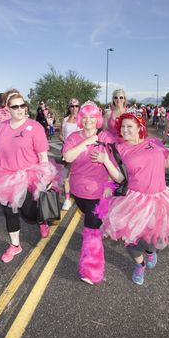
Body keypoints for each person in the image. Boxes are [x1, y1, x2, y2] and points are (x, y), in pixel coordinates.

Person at [92, 113, 169, 285]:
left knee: (149, 238)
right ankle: (139, 265)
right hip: (134, 199)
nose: (125, 130)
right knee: (130, 238)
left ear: (140, 128)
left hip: (158, 198)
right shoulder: (120, 149)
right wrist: (105, 161)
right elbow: (120, 178)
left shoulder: (153, 143)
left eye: (129, 126)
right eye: (123, 127)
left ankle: (149, 252)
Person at [0, 90, 61, 263]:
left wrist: (47, 177)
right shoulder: (1, 128)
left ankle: (41, 220)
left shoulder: (35, 127)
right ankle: (15, 245)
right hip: (5, 176)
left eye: (22, 106)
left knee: (29, 214)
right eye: (15, 106)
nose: (20, 109)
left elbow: (42, 156)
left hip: (29, 176)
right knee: (10, 212)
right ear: (8, 109)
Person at [62, 101, 114, 285]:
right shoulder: (74, 138)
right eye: (84, 117)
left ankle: (92, 271)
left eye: (92, 117)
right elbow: (67, 157)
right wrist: (86, 142)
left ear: (98, 119)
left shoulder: (106, 137)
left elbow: (114, 163)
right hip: (78, 192)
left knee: (91, 230)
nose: (88, 120)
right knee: (91, 225)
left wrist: (109, 185)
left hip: (99, 192)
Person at [59, 98, 82, 211]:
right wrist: (66, 142)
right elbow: (61, 135)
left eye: (76, 106)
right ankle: (67, 200)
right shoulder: (65, 120)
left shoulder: (83, 120)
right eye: (72, 106)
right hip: (67, 152)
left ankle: (80, 195)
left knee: (79, 175)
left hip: (80, 152)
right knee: (66, 176)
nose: (74, 108)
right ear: (69, 107)